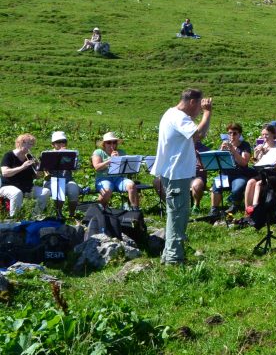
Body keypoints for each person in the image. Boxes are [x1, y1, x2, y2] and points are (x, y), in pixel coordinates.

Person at [150, 88, 212, 265]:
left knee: (175, 214)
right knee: (178, 215)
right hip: (176, 173)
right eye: (199, 107)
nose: (199, 112)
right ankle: (174, 258)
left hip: (173, 172)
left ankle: (169, 254)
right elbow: (198, 135)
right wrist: (208, 114)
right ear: (192, 102)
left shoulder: (170, 114)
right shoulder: (179, 117)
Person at [1, 134, 50, 217]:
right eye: (28, 144)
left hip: (26, 187)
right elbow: (5, 173)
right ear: (20, 143)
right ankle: (15, 219)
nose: (30, 147)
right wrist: (22, 167)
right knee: (17, 193)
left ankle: (35, 216)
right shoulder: (8, 155)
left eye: (32, 144)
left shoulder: (30, 157)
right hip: (8, 186)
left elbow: (36, 177)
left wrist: (39, 171)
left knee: (46, 192)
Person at [210, 123, 253, 214]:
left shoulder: (244, 145)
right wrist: (221, 151)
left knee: (237, 187)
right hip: (226, 174)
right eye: (229, 133)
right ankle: (214, 209)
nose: (231, 135)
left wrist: (233, 151)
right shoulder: (224, 145)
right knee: (216, 184)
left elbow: (244, 162)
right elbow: (218, 163)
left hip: (240, 174)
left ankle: (234, 205)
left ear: (239, 135)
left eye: (234, 133)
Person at [91, 132, 139, 208]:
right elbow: (97, 167)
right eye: (109, 143)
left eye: (114, 142)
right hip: (103, 178)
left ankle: (136, 211)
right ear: (104, 144)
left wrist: (119, 159)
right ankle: (99, 211)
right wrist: (110, 160)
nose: (112, 145)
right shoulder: (98, 152)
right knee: (107, 191)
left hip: (119, 178)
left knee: (131, 185)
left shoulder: (121, 152)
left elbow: (126, 168)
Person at [43, 131, 81, 219]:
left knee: (74, 189)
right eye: (58, 142)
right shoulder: (47, 154)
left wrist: (67, 157)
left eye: (63, 141)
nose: (61, 144)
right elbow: (43, 169)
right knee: (59, 186)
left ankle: (72, 214)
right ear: (53, 144)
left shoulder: (71, 154)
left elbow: (76, 169)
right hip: (51, 181)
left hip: (67, 180)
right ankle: (58, 213)